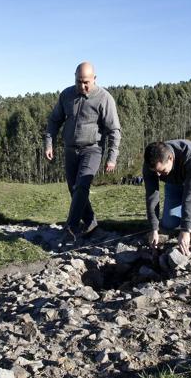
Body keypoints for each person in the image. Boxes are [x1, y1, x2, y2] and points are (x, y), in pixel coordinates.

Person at [44, 62, 121, 246]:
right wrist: (49, 143)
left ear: (94, 78)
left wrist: (112, 157)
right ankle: (92, 225)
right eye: (79, 81)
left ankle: (70, 228)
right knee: (74, 189)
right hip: (70, 150)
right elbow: (54, 120)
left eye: (86, 82)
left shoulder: (104, 98)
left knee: (81, 186)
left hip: (92, 149)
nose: (82, 86)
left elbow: (114, 130)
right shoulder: (67, 95)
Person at [143, 140, 191, 256]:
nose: (157, 175)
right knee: (168, 223)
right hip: (175, 183)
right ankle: (186, 221)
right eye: (155, 172)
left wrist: (185, 230)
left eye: (161, 171)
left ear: (170, 158)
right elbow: (152, 196)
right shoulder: (150, 164)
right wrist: (154, 229)